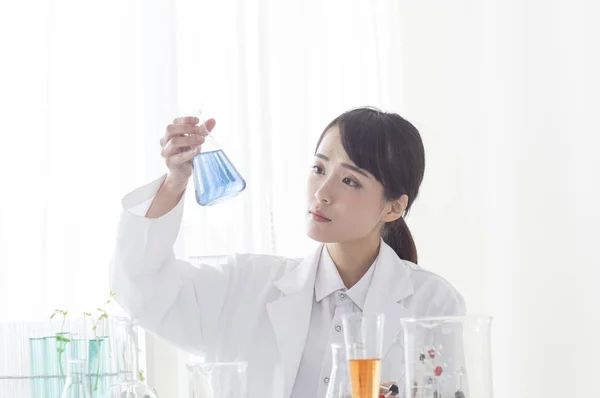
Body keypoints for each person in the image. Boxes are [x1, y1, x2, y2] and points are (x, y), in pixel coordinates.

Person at [110, 107, 466, 398]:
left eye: (350, 180)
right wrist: (175, 182)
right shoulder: (244, 287)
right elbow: (142, 287)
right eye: (319, 168)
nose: (322, 193)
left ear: (393, 208)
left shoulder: (432, 305)